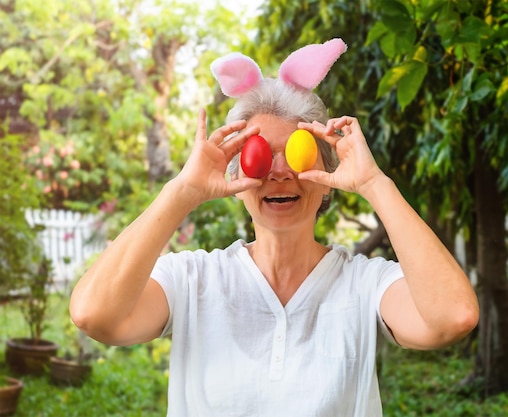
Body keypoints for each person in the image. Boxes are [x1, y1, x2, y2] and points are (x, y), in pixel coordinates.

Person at [70, 39, 479, 416]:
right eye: (261, 155)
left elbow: (454, 317)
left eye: (298, 155)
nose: (280, 173)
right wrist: (182, 192)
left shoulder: (365, 284)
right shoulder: (192, 280)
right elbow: (93, 315)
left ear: (329, 176)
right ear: (234, 180)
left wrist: (375, 184)